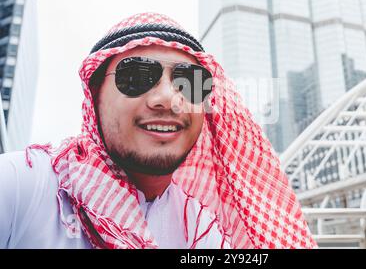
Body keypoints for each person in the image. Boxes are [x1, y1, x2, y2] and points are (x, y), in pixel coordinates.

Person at [0, 12, 317, 249]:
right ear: (95, 97)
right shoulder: (21, 186)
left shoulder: (204, 229)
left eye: (190, 82)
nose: (168, 98)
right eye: (137, 76)